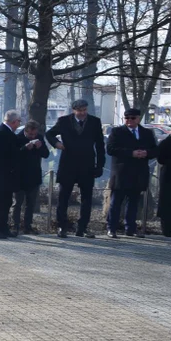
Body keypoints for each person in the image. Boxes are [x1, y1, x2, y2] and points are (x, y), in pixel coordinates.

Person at [46, 99, 105, 238]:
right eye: (79, 111)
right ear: (74, 110)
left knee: (87, 198)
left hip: (87, 163)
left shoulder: (95, 122)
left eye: (84, 110)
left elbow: (100, 145)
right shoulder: (64, 121)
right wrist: (57, 143)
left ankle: (82, 228)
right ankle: (62, 227)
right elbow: (49, 134)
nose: (82, 113)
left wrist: (100, 165)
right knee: (63, 197)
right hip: (68, 163)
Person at [105, 108, 158, 238]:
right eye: (126, 118)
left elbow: (155, 150)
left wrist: (146, 153)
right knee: (116, 202)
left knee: (134, 202)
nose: (129, 120)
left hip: (139, 172)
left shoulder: (147, 133)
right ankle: (112, 228)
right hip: (122, 172)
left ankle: (131, 228)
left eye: (132, 118)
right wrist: (131, 153)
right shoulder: (117, 132)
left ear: (138, 118)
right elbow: (111, 149)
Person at [0, 110, 22, 239]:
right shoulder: (1, 133)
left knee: (6, 202)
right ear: (14, 121)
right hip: (0, 175)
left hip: (6, 176)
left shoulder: (7, 132)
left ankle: (3, 227)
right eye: (19, 121)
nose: (19, 124)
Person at [11, 120, 49, 234]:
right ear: (25, 131)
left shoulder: (39, 138)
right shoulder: (17, 138)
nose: (33, 136)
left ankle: (27, 226)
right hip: (20, 176)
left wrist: (40, 147)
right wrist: (24, 148)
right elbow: (13, 155)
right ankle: (15, 226)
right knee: (17, 203)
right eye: (30, 134)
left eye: (34, 134)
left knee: (30, 203)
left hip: (34, 176)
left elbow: (46, 154)